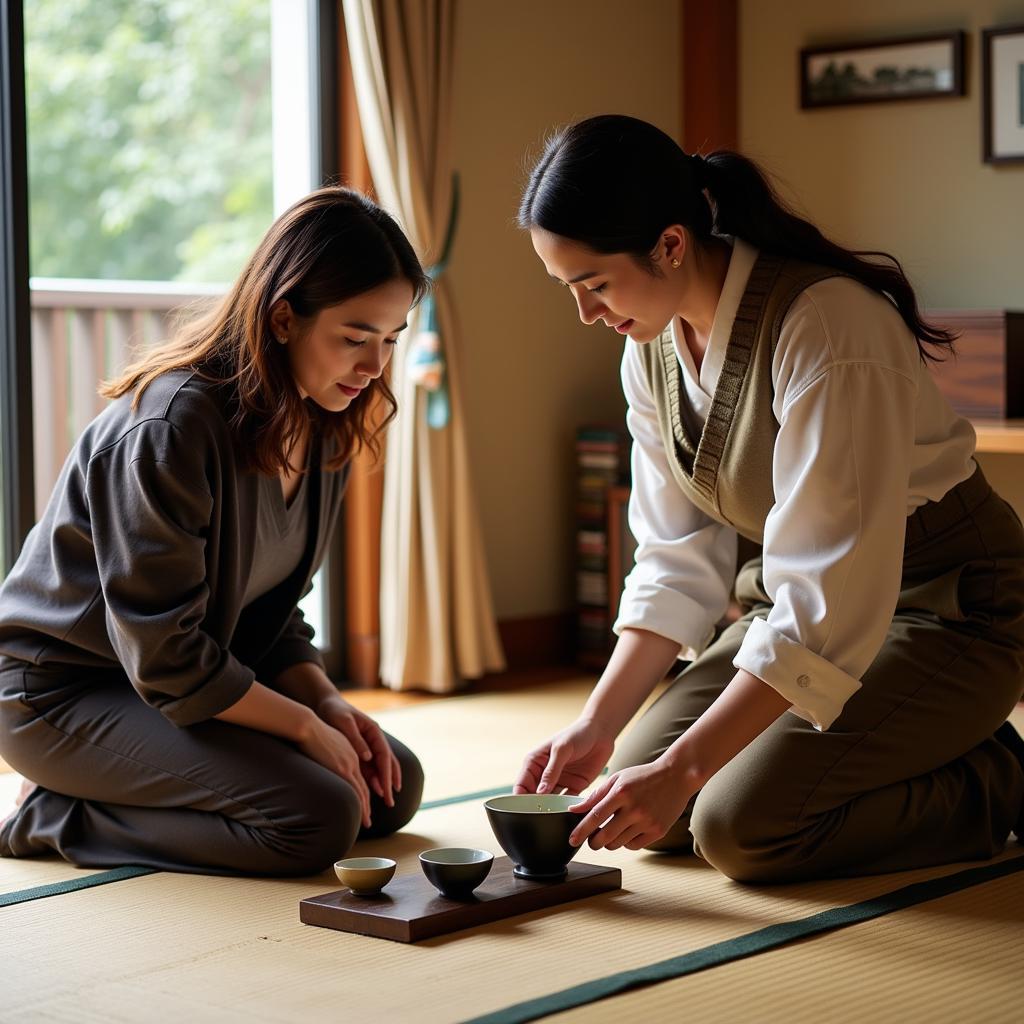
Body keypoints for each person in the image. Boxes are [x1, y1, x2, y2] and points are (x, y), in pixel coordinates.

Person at [514, 114, 1024, 882]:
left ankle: (997, 778)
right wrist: (596, 726)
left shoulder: (828, 327)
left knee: (738, 824)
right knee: (639, 805)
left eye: (594, 284)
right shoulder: (647, 347)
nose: (587, 313)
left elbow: (831, 592)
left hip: (949, 608)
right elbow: (675, 562)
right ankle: (909, 738)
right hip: (798, 607)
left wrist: (687, 770)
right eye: (567, 290)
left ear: (672, 244)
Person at [0, 187, 427, 876]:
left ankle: (124, 790)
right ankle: (52, 813)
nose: (375, 368)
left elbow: (271, 615)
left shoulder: (324, 421)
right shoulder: (173, 427)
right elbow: (165, 652)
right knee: (316, 820)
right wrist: (302, 727)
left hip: (178, 684)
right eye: (354, 337)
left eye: (389, 339)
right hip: (66, 694)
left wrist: (327, 704)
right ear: (283, 317)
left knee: (389, 786)